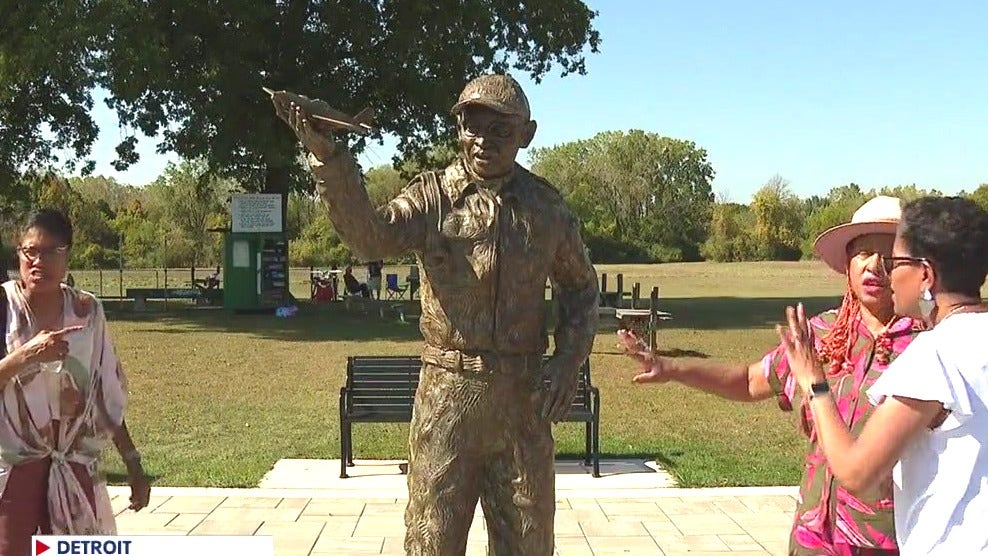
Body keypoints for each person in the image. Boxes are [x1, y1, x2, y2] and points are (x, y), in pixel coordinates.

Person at [271, 74, 599, 556]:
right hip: (449, 399)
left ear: (526, 134)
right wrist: (330, 161)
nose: (483, 141)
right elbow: (371, 237)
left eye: (500, 131)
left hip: (522, 400)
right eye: (472, 127)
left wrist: (568, 361)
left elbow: (581, 288)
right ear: (459, 129)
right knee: (432, 541)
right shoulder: (432, 196)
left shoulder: (546, 209)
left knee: (529, 542)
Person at [619, 195, 923, 556]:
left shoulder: (928, 345)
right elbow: (750, 381)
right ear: (847, 263)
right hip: (814, 538)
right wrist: (673, 368)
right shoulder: (819, 335)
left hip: (887, 541)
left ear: (912, 266)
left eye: (888, 254)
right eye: (863, 253)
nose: (874, 266)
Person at [777, 196, 988, 555]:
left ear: (926, 275)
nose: (886, 272)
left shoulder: (934, 354)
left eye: (896, 261)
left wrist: (814, 383)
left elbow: (857, 474)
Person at [0, 209, 150, 553]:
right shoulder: (4, 308)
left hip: (73, 463)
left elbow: (103, 393)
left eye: (52, 252)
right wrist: (27, 355)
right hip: (13, 466)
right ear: (18, 254)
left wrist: (133, 462)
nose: (40, 261)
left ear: (68, 255)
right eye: (31, 251)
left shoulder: (87, 312)